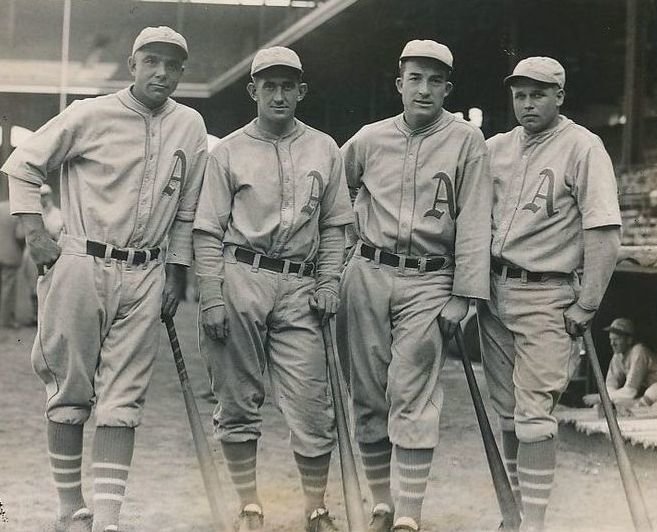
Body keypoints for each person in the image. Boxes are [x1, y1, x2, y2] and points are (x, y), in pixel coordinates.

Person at [1, 26, 208, 532]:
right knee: (70, 392)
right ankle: (70, 510)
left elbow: (185, 212)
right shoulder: (89, 113)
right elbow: (24, 166)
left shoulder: (191, 125)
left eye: (172, 65)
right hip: (81, 262)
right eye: (151, 61)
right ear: (133, 64)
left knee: (124, 398)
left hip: (147, 270)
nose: (161, 73)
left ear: (182, 72)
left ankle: (109, 519)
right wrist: (36, 235)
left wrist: (175, 276)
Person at [192, 47, 353, 532]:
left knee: (311, 402)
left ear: (301, 91)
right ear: (253, 91)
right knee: (238, 400)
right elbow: (206, 230)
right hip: (241, 274)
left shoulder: (325, 148)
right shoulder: (228, 151)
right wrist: (213, 296)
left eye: (288, 86)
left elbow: (334, 226)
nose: (279, 95)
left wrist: (328, 280)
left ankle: (315, 507)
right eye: (269, 86)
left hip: (301, 284)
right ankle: (248, 503)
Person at [338, 40, 492, 532]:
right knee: (367, 392)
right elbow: (331, 195)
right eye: (415, 78)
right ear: (399, 83)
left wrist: (464, 295)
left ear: (448, 87)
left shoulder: (467, 141)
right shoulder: (368, 138)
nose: (424, 89)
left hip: (431, 277)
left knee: (413, 391)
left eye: (434, 80)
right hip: (367, 271)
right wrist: (339, 257)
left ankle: (409, 510)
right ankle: (382, 500)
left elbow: (474, 222)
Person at [477, 57, 622, 531]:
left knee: (534, 413)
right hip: (495, 292)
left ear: (559, 95)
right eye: (520, 94)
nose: (527, 103)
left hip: (547, 294)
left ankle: (534, 524)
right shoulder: (496, 147)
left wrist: (588, 303)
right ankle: (516, 517)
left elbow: (603, 231)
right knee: (509, 413)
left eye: (538, 93)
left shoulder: (584, 146)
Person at [583, 318, 657, 409]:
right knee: (602, 405)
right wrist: (603, 400)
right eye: (611, 339)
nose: (612, 343)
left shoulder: (639, 351)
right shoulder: (618, 355)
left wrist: (600, 398)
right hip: (643, 397)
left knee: (653, 391)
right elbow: (610, 387)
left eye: (617, 339)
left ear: (629, 340)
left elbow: (630, 392)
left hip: (652, 393)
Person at [0, 199, 25, 328]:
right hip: (9, 254)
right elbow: (20, 235)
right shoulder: (16, 210)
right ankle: (5, 320)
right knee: (7, 288)